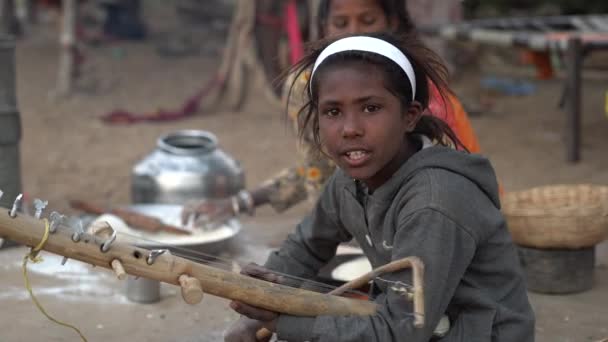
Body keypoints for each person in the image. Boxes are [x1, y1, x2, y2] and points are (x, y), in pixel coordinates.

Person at [223, 33, 535, 341]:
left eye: (371, 108)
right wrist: (262, 297)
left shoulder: (434, 202)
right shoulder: (349, 180)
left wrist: (285, 324)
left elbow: (401, 329)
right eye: (333, 111)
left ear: (409, 116)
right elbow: (305, 247)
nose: (350, 129)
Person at [181, 0, 481, 226]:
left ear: (393, 22)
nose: (354, 33)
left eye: (367, 20)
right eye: (341, 22)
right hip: (340, 234)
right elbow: (319, 169)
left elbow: (450, 178)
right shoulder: (305, 85)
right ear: (324, 28)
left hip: (418, 224)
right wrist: (239, 202)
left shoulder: (420, 87)